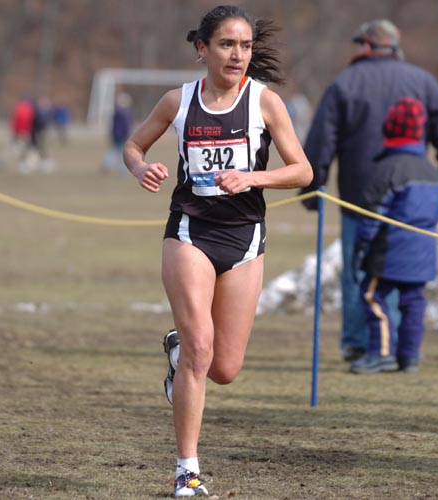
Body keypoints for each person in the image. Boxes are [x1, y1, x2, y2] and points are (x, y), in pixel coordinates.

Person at [123, 5, 312, 497]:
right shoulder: (178, 101)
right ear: (202, 49)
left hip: (245, 237)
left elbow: (303, 171)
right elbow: (133, 145)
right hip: (190, 231)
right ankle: (187, 470)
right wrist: (139, 167)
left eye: (246, 45)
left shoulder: (266, 103)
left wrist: (252, 177)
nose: (238, 54)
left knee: (224, 368)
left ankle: (178, 348)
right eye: (227, 44)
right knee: (202, 350)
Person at [300, 19, 438, 362]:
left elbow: (320, 142)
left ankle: (362, 344)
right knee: (407, 274)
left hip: (359, 200)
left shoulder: (345, 83)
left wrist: (313, 188)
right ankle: (403, 349)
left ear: (367, 46)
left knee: (361, 271)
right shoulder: (423, 81)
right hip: (415, 198)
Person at [351, 97, 438, 374]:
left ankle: (382, 353)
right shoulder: (433, 172)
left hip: (389, 251)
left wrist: (361, 247)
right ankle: (409, 356)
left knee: (372, 296)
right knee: (413, 303)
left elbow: (371, 216)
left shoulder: (387, 169)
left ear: (389, 130)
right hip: (423, 253)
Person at [102, 92, 133, 175]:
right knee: (122, 153)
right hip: (122, 135)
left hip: (116, 135)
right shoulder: (125, 113)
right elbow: (126, 126)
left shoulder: (116, 112)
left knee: (114, 150)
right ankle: (121, 170)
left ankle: (107, 163)